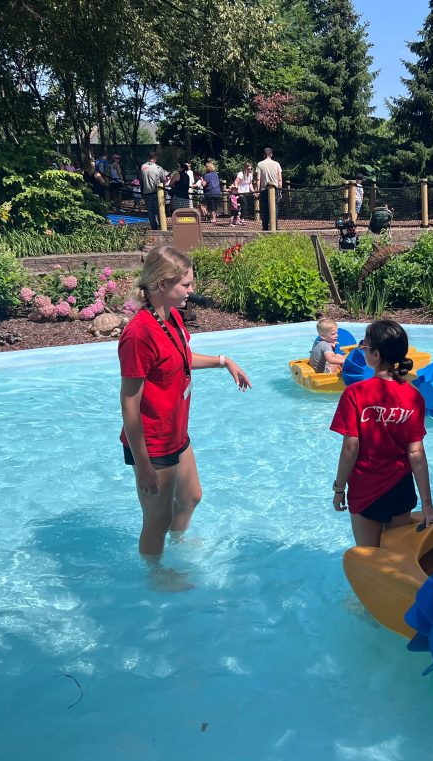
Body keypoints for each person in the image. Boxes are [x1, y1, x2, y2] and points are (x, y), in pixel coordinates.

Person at [118, 245, 252, 556]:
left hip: (175, 431)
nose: (192, 290)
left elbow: (181, 357)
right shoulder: (139, 335)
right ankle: (155, 574)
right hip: (152, 443)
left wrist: (223, 361)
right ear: (162, 284)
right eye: (186, 284)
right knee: (157, 519)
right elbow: (129, 403)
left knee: (191, 497)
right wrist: (143, 464)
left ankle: (176, 547)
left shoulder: (172, 317)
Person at [329, 320, 433, 547]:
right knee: (396, 557)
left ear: (375, 354)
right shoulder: (414, 396)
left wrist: (339, 488)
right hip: (400, 489)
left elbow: (350, 447)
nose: (362, 349)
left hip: (366, 488)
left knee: (368, 556)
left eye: (364, 345)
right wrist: (428, 505)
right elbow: (416, 452)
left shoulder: (355, 393)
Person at [255, 147, 283, 231]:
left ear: (264, 155)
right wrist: (280, 191)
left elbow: (258, 179)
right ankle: (275, 227)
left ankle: (265, 228)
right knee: (275, 209)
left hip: (264, 190)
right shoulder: (277, 164)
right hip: (275, 189)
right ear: (271, 154)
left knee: (265, 209)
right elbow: (280, 179)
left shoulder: (260, 164)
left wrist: (258, 191)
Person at [139, 152, 168, 229]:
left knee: (150, 212)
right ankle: (162, 226)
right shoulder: (158, 168)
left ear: (148, 158)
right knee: (159, 211)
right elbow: (163, 179)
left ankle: (154, 227)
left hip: (146, 192)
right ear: (155, 158)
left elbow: (141, 179)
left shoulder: (143, 167)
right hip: (156, 192)